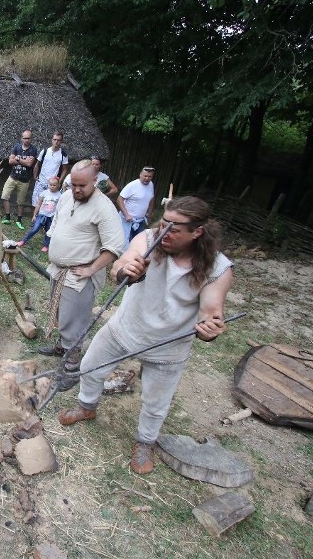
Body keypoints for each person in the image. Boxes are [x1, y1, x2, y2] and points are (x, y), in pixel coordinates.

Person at [58, 196, 234, 475]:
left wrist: (209, 329)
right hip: (125, 329)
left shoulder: (217, 268)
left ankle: (144, 442)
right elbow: (123, 263)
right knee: (90, 368)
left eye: (174, 229)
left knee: (155, 403)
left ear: (197, 232)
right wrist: (127, 270)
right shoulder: (149, 238)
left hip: (168, 345)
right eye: (163, 223)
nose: (164, 232)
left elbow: (211, 311)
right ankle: (86, 406)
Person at [39, 159, 125, 359]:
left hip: (80, 275)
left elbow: (114, 248)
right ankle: (61, 348)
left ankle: (71, 364)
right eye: (73, 184)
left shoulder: (104, 208)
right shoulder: (66, 196)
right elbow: (57, 225)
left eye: (82, 186)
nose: (76, 190)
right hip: (60, 269)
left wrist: (90, 269)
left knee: (74, 319)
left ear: (95, 180)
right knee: (61, 313)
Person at [1, 130, 38, 229]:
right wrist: (23, 161)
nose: (26, 140)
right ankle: (8, 217)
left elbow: (29, 164)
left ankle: (19, 219)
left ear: (31, 139)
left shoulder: (33, 150)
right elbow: (10, 161)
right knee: (5, 196)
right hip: (12, 177)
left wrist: (18, 159)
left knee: (20, 202)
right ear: (22, 138)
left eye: (28, 138)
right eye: (25, 138)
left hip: (24, 180)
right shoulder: (17, 147)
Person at [17, 177, 63, 252]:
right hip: (41, 215)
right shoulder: (44, 193)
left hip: (51, 216)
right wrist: (34, 215)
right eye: (50, 185)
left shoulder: (60, 195)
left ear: (58, 185)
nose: (52, 186)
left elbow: (60, 208)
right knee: (35, 229)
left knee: (49, 231)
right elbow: (38, 204)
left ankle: (46, 245)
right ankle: (23, 240)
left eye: (54, 185)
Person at [117, 166, 156, 246]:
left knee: (139, 242)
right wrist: (126, 215)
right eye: (145, 176)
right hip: (127, 220)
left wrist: (150, 213)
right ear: (140, 175)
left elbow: (151, 199)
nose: (147, 178)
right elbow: (119, 199)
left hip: (140, 220)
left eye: (149, 177)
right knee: (125, 243)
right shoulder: (132, 185)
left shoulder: (151, 184)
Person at [33, 132, 68, 206]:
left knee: (49, 205)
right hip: (41, 182)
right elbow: (37, 164)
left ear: (61, 141)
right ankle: (35, 217)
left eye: (58, 140)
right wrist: (35, 176)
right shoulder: (45, 151)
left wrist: (59, 181)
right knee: (36, 203)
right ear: (52, 140)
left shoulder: (63, 155)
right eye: (55, 139)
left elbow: (65, 169)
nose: (56, 141)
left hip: (53, 184)